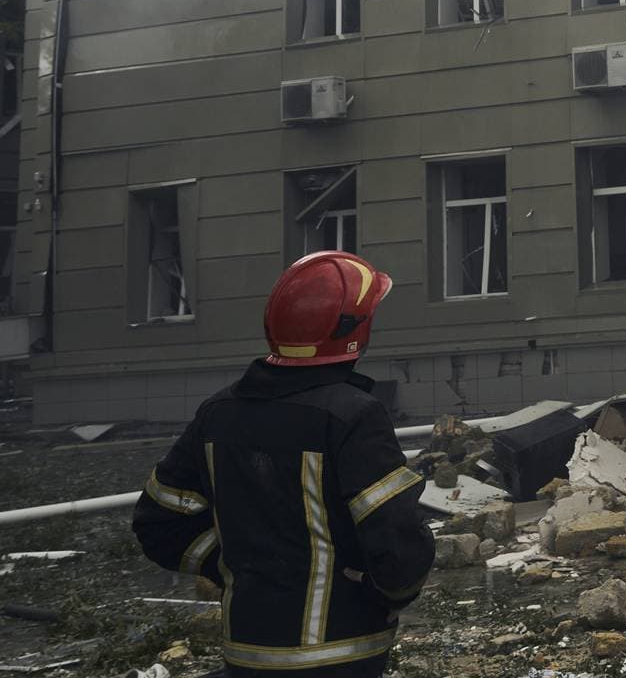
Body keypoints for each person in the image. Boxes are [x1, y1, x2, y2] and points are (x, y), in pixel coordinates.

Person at [132, 251, 433, 678]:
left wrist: (228, 566)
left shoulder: (219, 414)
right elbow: (400, 546)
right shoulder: (352, 416)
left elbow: (157, 521)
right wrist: (385, 594)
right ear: (355, 331)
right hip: (341, 654)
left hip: (247, 652)